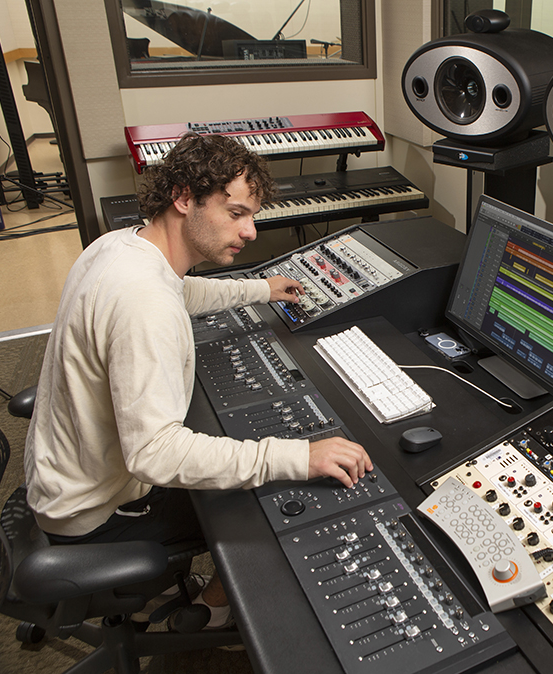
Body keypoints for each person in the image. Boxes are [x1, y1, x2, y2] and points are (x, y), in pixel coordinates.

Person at [23, 132, 372, 627]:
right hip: (95, 520)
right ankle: (214, 609)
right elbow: (156, 454)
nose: (251, 231)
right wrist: (299, 455)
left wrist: (260, 288)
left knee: (247, 453)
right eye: (236, 214)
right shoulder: (143, 303)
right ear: (184, 198)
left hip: (59, 478)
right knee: (277, 487)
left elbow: (178, 291)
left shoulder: (119, 247)